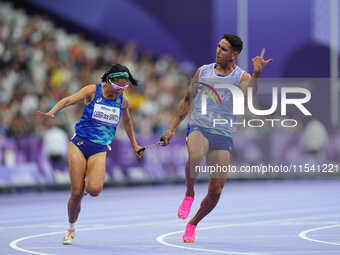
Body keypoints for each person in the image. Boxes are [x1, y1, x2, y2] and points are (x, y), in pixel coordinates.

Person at [161, 34, 272, 242]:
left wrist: (257, 74)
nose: (218, 51)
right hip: (199, 126)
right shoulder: (202, 71)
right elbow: (187, 100)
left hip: (223, 133)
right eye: (218, 46)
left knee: (217, 191)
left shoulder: (242, 77)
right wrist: (170, 129)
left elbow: (249, 101)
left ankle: (193, 223)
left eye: (223, 49)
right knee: (195, 157)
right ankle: (189, 193)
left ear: (234, 54)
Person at [37, 64, 144, 245]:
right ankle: (71, 228)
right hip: (79, 144)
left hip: (100, 149)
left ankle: (84, 184)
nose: (121, 90)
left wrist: (134, 144)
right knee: (76, 192)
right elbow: (68, 100)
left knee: (94, 190)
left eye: (124, 87)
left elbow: (128, 122)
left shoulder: (122, 101)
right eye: (118, 86)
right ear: (108, 81)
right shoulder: (92, 91)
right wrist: (52, 112)